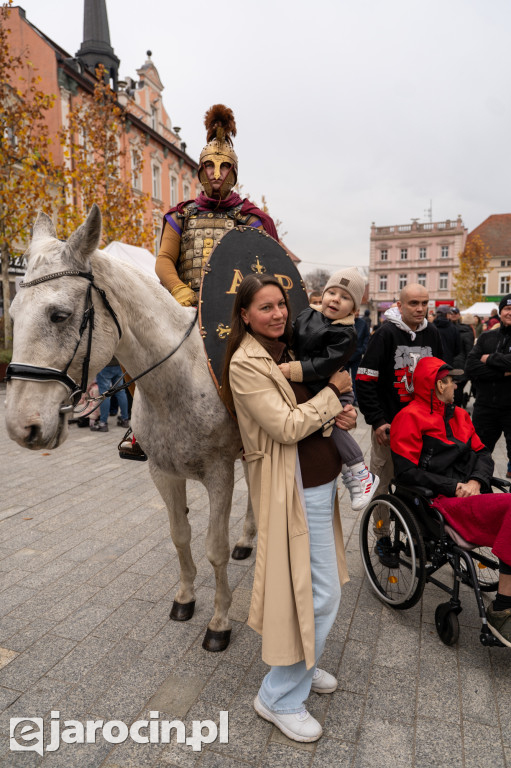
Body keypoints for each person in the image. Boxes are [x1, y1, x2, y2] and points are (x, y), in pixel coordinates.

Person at [222, 274, 356, 743]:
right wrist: (333, 393)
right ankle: (278, 696)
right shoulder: (246, 363)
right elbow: (284, 426)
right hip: (290, 491)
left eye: (281, 304)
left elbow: (315, 408)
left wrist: (343, 411)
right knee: (316, 594)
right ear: (244, 315)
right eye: (265, 308)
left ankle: (305, 666)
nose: (278, 313)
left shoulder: (290, 349)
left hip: (318, 485)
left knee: (321, 586)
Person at [120, 104, 277, 459]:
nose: (217, 173)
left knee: (257, 364)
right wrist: (178, 289)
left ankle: (256, 426)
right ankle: (139, 429)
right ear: (200, 171)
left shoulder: (249, 219)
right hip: (183, 306)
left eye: (224, 167)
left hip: (235, 312)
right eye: (210, 166)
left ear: (234, 173)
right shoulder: (182, 215)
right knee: (141, 351)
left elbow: (263, 268)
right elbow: (164, 260)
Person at [390, 356, 511, 647]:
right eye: (451, 380)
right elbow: (406, 472)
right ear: (437, 384)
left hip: (469, 494)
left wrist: (476, 482)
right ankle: (502, 607)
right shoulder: (409, 417)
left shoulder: (459, 416)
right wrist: (453, 485)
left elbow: (483, 454)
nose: (457, 385)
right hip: (440, 502)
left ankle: (505, 600)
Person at [278, 267, 378, 511]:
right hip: (314, 385)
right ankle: (351, 469)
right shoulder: (308, 314)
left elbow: (324, 366)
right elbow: (292, 335)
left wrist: (293, 370)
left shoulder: (345, 333)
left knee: (331, 425)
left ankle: (361, 472)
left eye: (344, 297)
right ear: (322, 294)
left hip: (329, 385)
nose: (335, 299)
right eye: (332, 292)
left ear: (353, 309)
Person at [356, 283, 443, 499]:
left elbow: (441, 377)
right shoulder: (385, 334)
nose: (420, 309)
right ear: (400, 305)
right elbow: (364, 380)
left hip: (422, 426)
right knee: (381, 484)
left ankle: (414, 529)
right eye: (413, 303)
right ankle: (381, 532)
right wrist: (377, 421)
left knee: (418, 483)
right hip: (389, 426)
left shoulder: (432, 333)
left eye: (424, 303)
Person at [466, 294, 511, 479]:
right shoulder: (487, 337)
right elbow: (471, 367)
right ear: (500, 312)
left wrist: (490, 359)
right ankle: (479, 495)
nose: (510, 312)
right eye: (507, 309)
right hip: (485, 408)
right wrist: (503, 372)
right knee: (476, 456)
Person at [90, 357, 130, 432]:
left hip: (105, 364)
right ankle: (125, 420)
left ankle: (103, 423)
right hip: (119, 364)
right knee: (121, 392)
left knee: (104, 394)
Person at [450, 307, 475, 407]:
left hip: (458, 363)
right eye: (451, 313)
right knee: (457, 389)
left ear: (459, 315)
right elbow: (470, 351)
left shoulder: (462, 331)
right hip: (458, 363)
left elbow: (469, 351)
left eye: (455, 313)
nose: (453, 315)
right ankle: (456, 410)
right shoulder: (467, 331)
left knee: (456, 389)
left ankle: (455, 411)